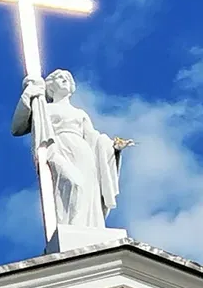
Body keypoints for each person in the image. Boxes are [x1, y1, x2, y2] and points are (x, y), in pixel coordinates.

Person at [12, 70, 132, 228]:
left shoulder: (79, 113)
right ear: (51, 86)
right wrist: (29, 93)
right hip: (57, 148)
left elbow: (93, 138)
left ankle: (86, 229)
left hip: (83, 154)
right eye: (59, 78)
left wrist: (113, 146)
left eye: (67, 78)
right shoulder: (44, 108)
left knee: (89, 194)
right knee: (73, 184)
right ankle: (70, 227)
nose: (64, 80)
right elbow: (17, 128)